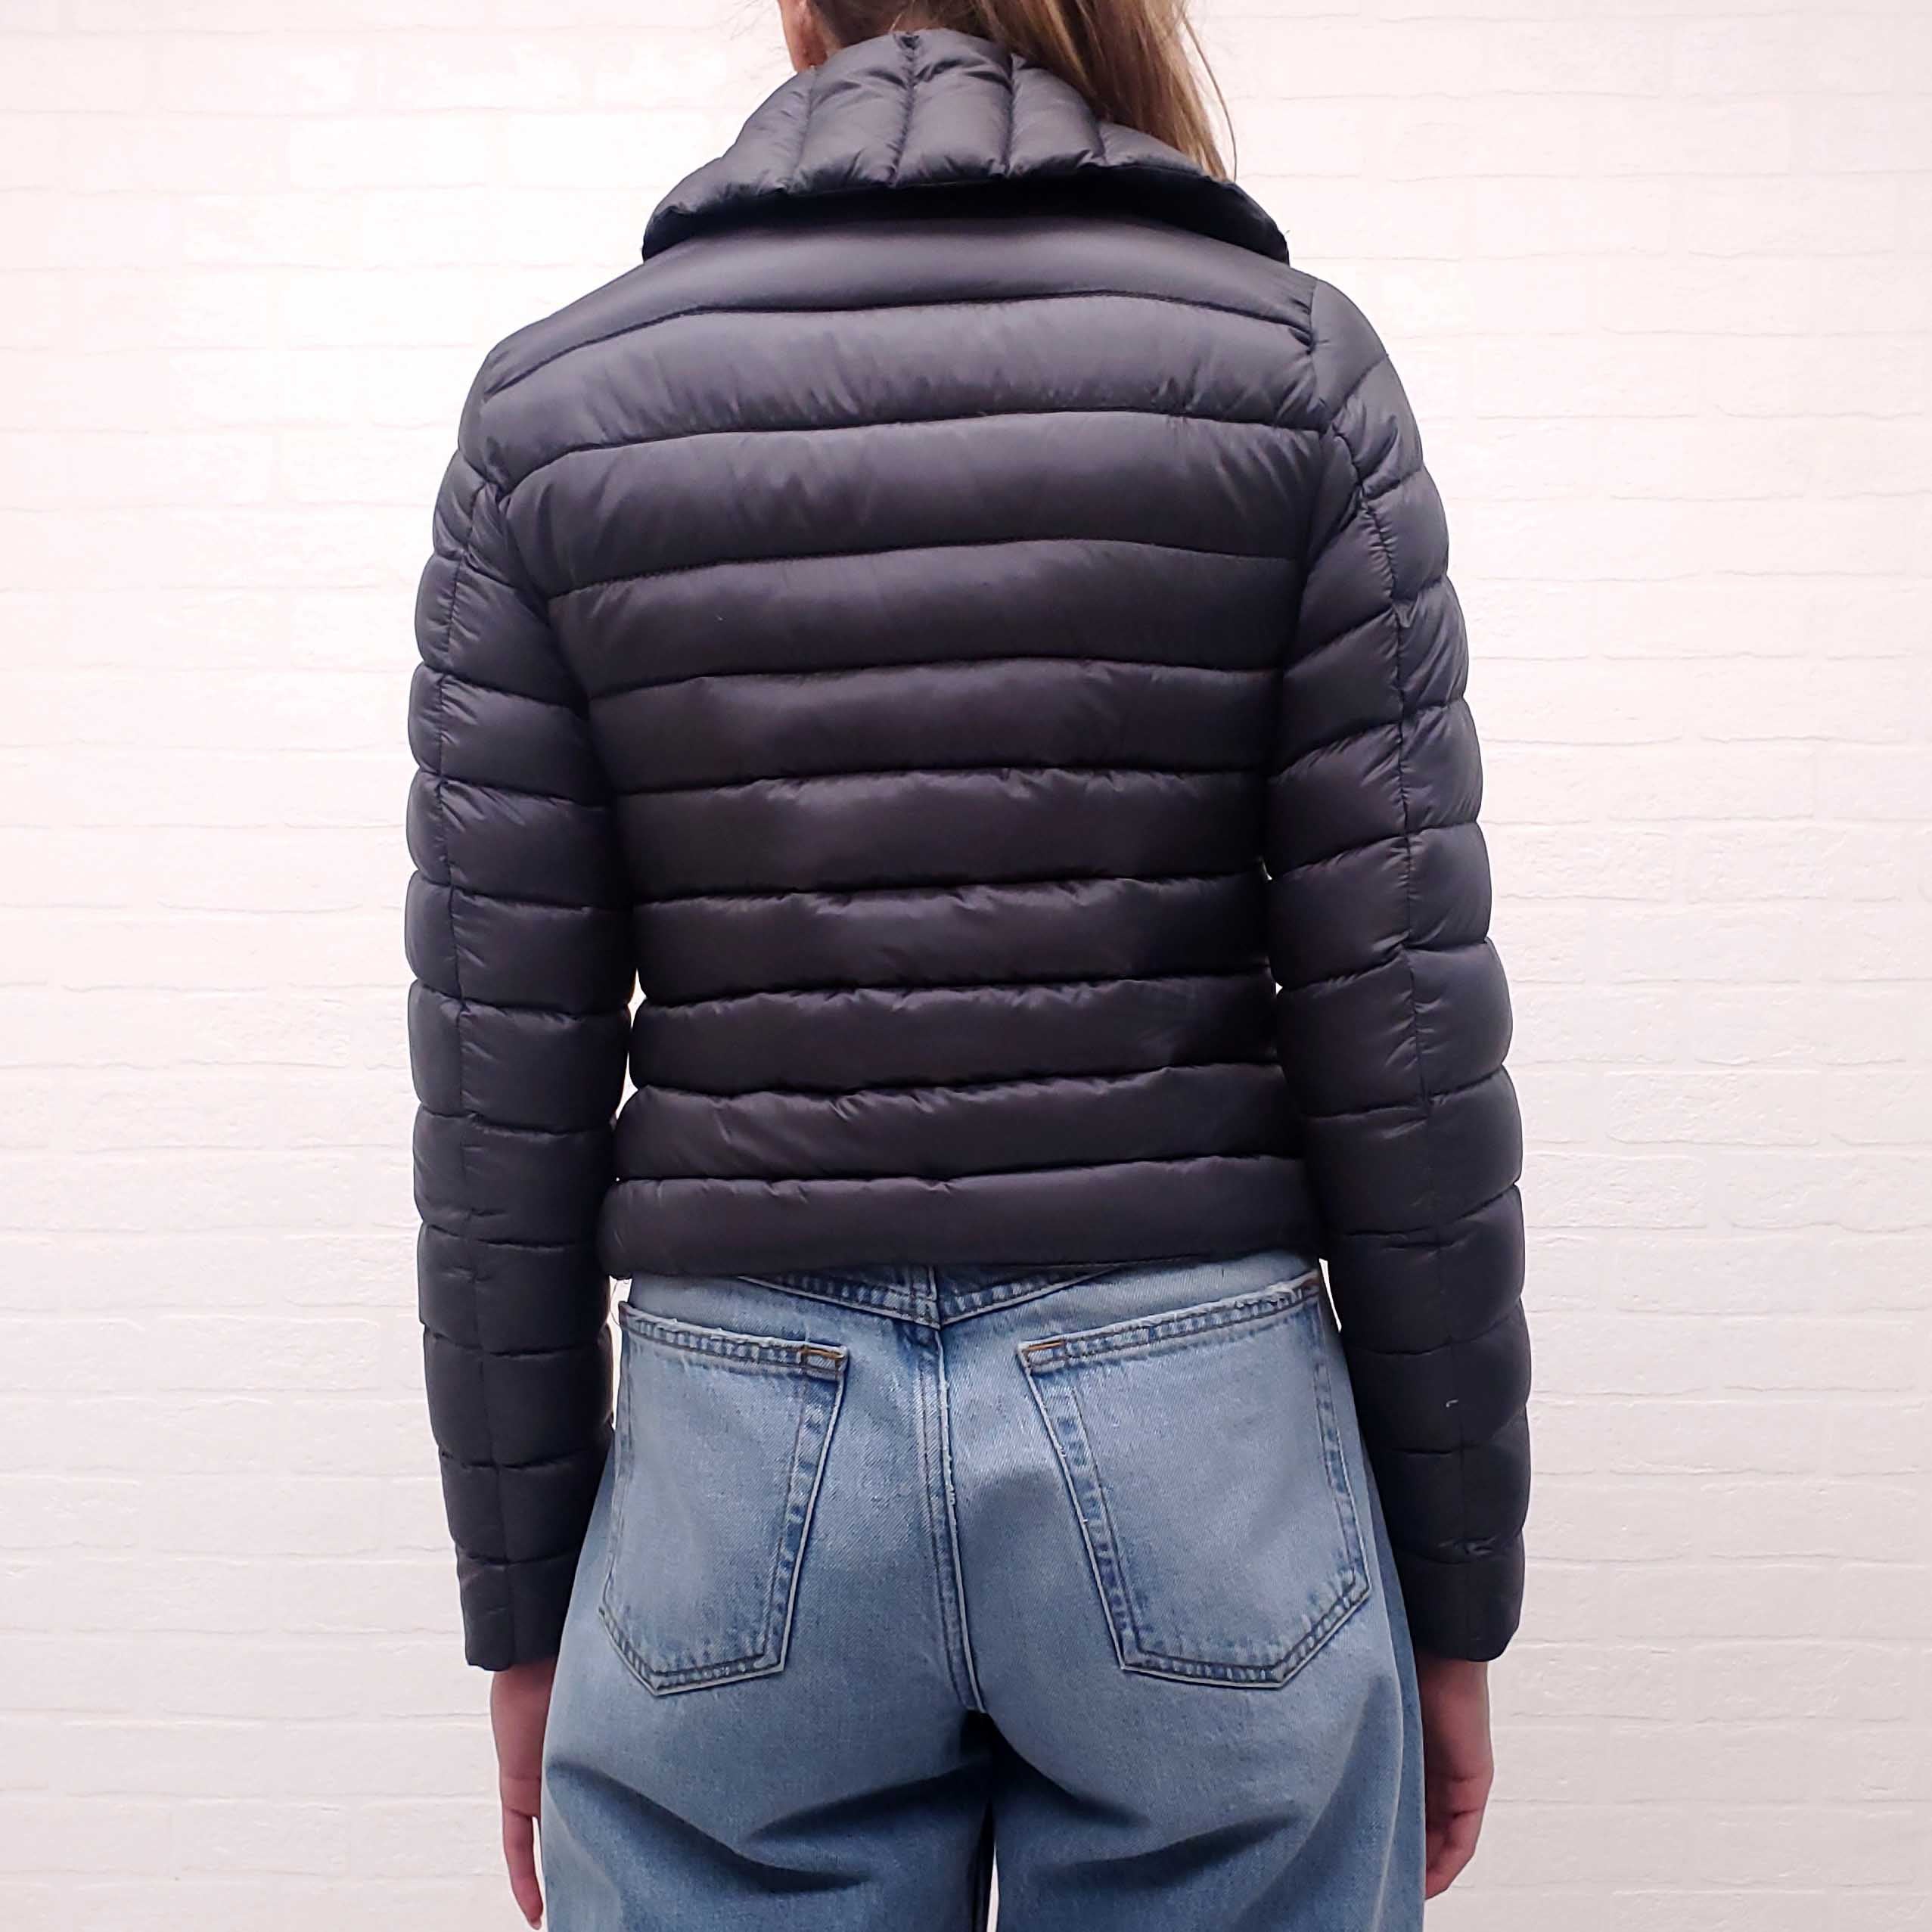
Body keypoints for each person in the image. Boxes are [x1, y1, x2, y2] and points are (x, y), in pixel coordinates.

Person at [404, 2, 1530, 1926]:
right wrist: (1450, 1589)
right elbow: (1401, 1038)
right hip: (1195, 1423)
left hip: (740, 1435)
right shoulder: (1286, 373)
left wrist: (522, 1605)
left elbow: (501, 1083)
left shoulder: (551, 414)